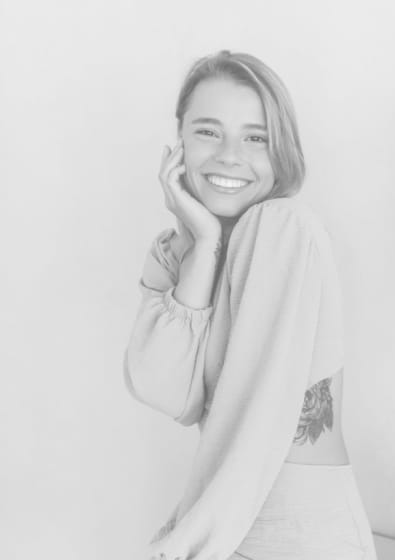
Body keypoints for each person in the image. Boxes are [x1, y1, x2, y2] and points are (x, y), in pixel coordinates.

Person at [123, 49, 378, 560]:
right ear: (179, 142)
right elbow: (164, 390)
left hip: (299, 535)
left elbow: (257, 424)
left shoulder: (283, 228)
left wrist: (188, 543)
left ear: (281, 150)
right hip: (230, 523)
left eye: (255, 138)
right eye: (208, 131)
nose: (229, 156)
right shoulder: (178, 252)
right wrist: (202, 242)